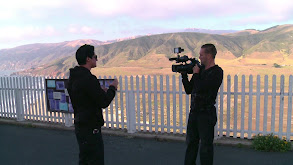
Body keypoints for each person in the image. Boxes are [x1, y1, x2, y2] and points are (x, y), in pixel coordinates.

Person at [67, 44, 118, 165]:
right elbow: (104, 102)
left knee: (85, 159)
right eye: (95, 56)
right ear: (88, 59)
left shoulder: (73, 77)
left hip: (80, 125)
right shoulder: (89, 79)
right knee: (95, 160)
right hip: (91, 128)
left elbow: (85, 97)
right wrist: (113, 88)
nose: (97, 59)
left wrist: (99, 91)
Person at [181, 44, 223, 165]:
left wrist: (196, 74)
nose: (199, 57)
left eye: (201, 54)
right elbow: (189, 89)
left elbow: (202, 88)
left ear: (209, 55)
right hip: (194, 113)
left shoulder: (217, 72)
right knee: (191, 144)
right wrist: (184, 74)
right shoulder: (200, 70)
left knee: (206, 147)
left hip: (206, 114)